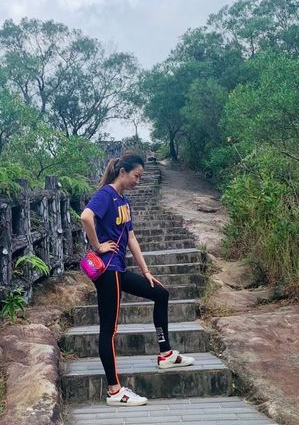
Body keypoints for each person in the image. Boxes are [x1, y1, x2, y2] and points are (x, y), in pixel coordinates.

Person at [80, 152, 194, 407]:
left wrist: (146, 272)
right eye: (136, 176)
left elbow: (130, 238)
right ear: (123, 172)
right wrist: (97, 246)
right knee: (109, 330)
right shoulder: (106, 195)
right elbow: (86, 216)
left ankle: (165, 353)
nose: (138, 181)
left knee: (160, 293)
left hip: (119, 269)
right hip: (108, 270)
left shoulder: (123, 200)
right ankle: (114, 391)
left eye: (141, 177)